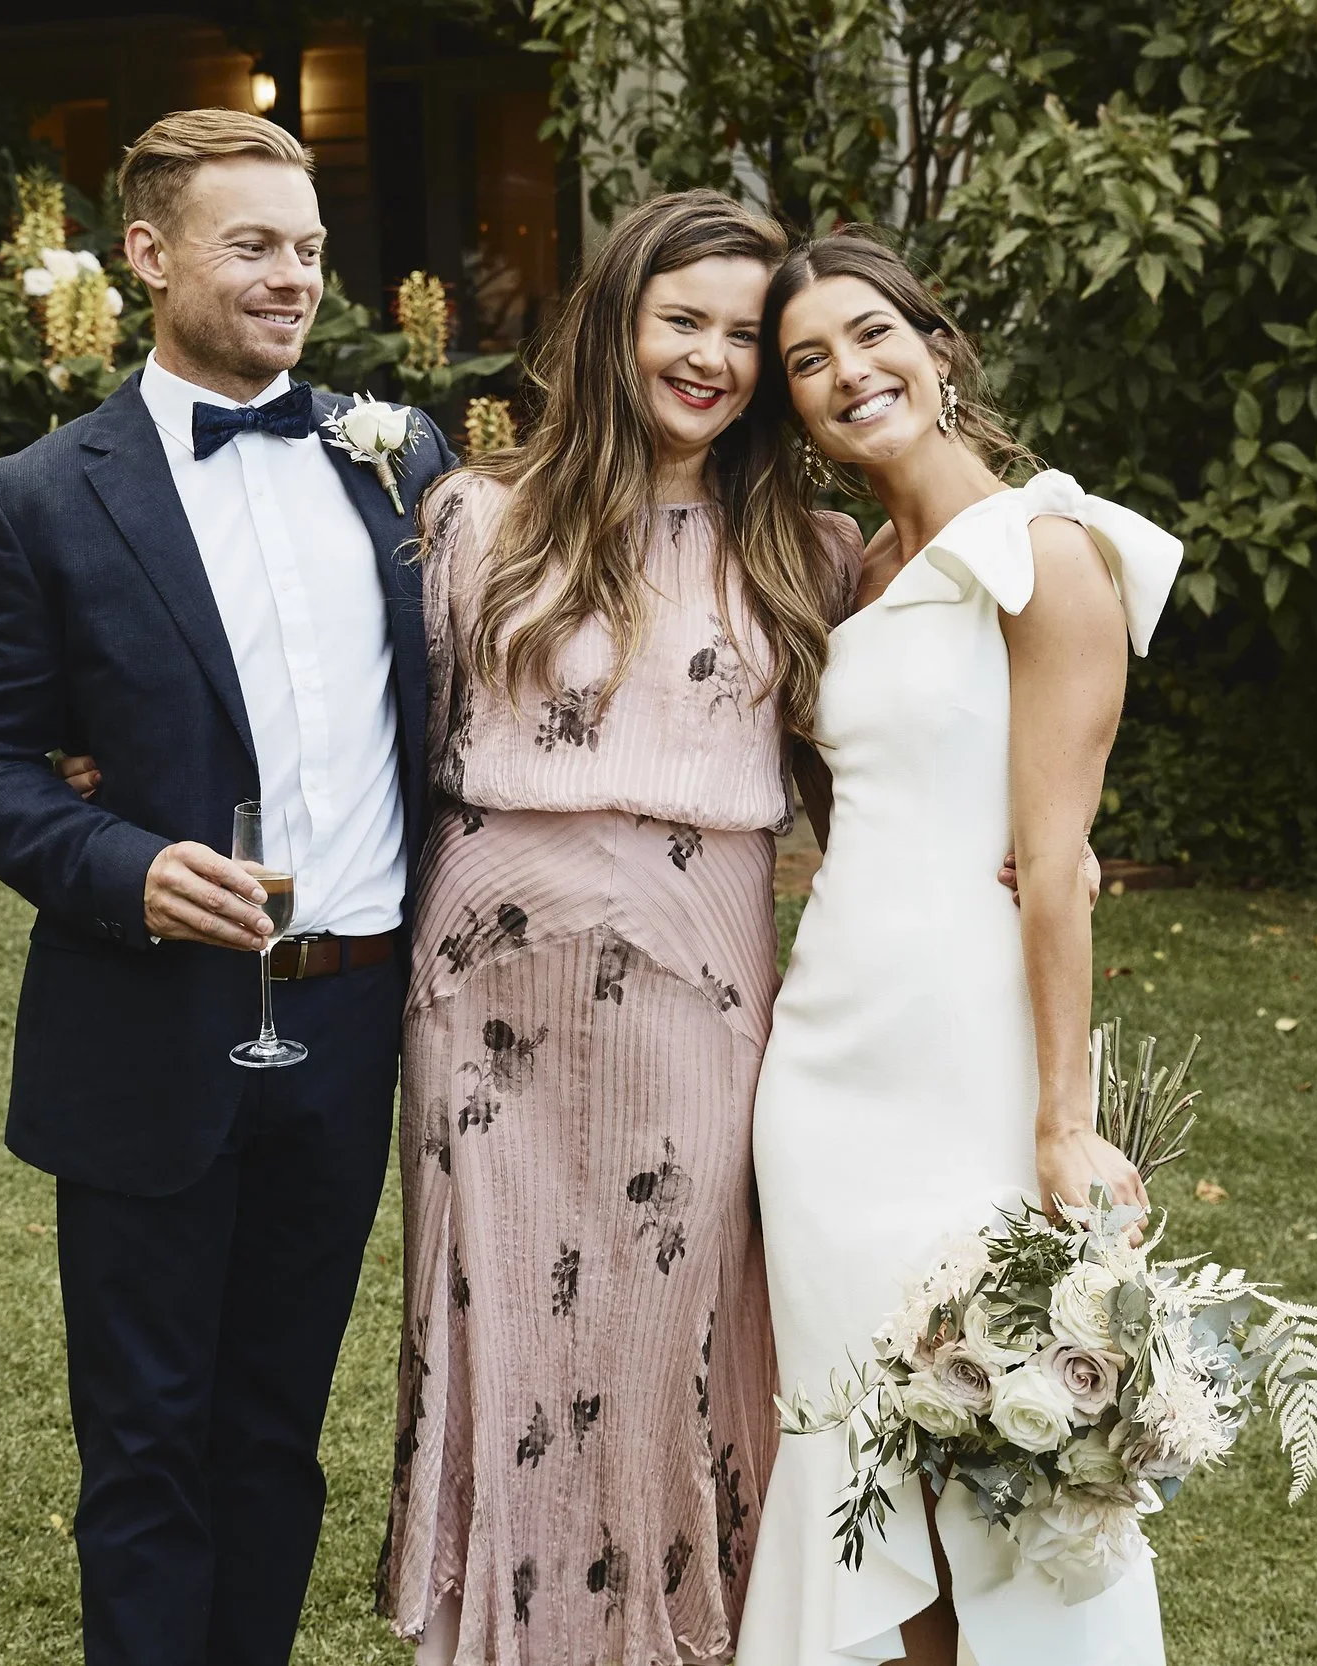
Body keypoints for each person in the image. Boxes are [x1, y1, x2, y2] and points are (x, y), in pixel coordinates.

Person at [0, 109, 455, 1666]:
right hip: (150, 1023)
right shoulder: (37, 497)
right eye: (253, 246)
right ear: (149, 257)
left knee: (277, 1428)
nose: (293, 276)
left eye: (306, 246)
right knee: (149, 1441)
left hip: (353, 1019)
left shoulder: (399, 457)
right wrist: (127, 866)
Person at [376, 190, 863, 1666]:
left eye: (741, 334)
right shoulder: (478, 517)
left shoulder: (809, 546)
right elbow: (379, 738)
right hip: (486, 991)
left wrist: (1026, 858)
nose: (712, 356)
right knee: (505, 1317)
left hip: (700, 989)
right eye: (684, 320)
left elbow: (885, 761)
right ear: (617, 323)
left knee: (676, 1335)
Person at [734, 229, 1182, 1666]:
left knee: (996, 1443)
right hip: (825, 1063)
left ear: (939, 343)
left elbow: (1052, 861)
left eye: (871, 335)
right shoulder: (853, 570)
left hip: (970, 1055)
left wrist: (1062, 1120)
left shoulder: (1048, 550)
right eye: (808, 360)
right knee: (867, 1460)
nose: (847, 372)